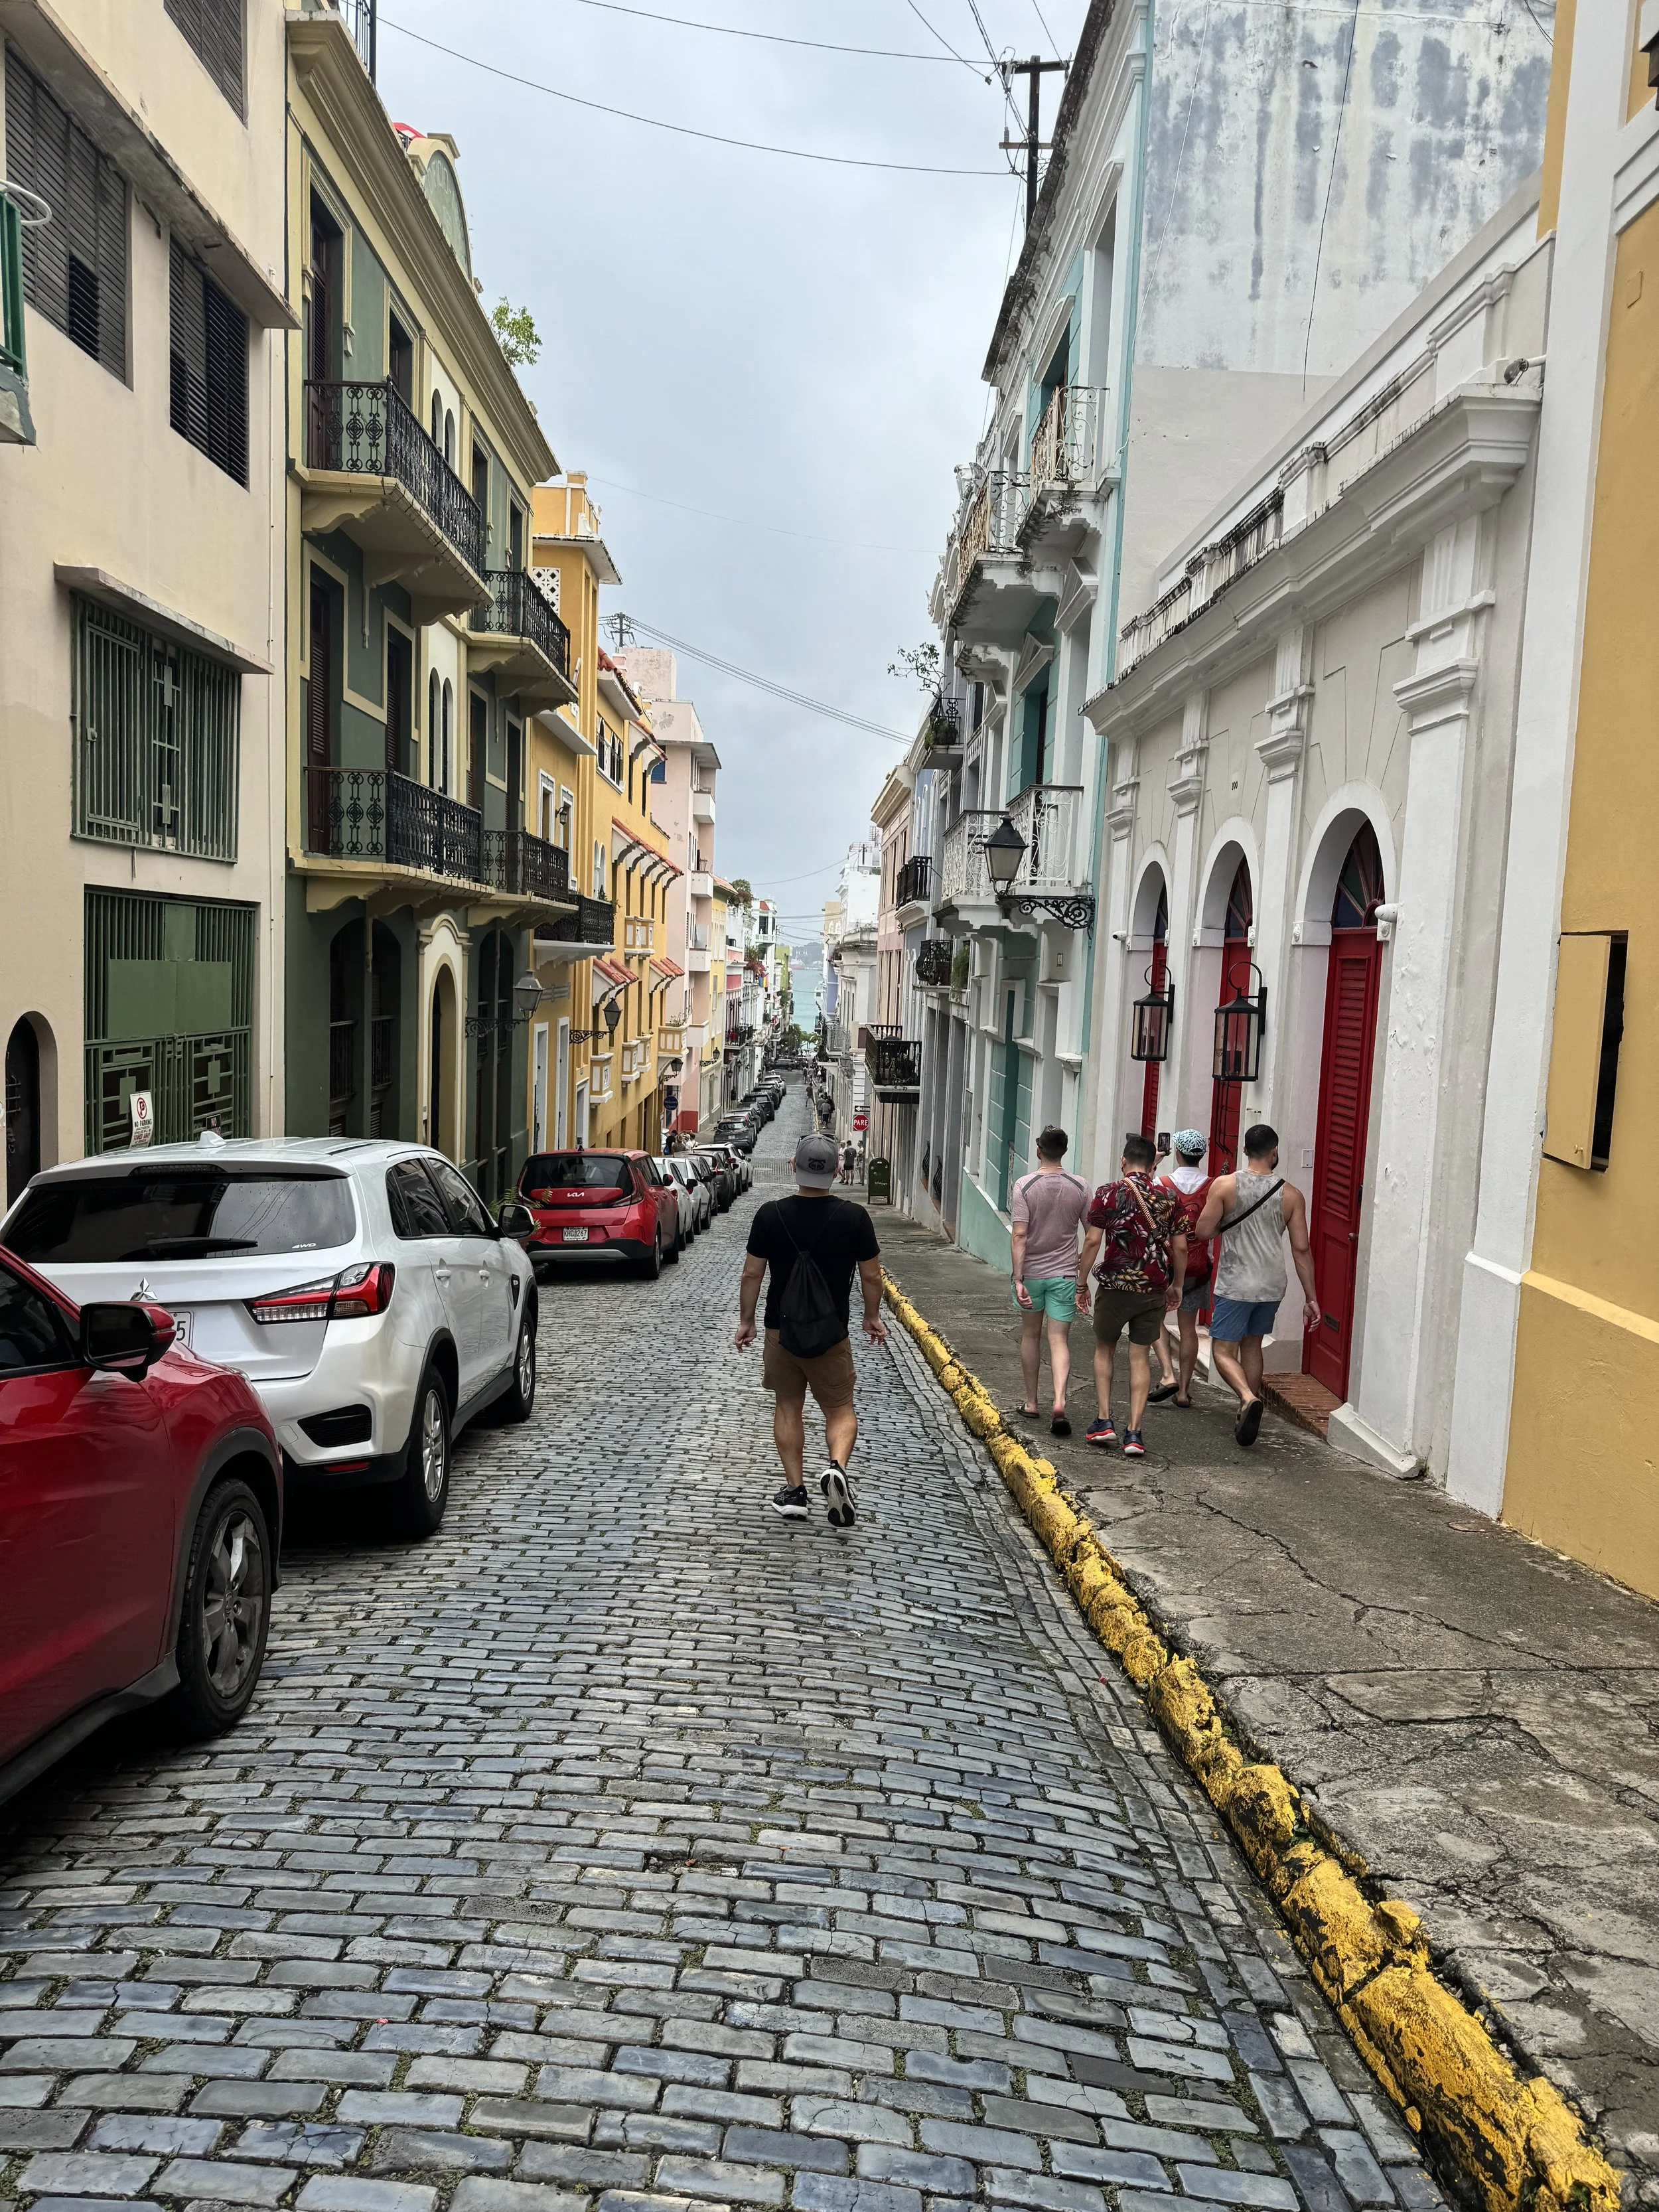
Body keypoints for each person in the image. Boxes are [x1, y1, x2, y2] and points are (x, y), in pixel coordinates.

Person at [735, 1130, 886, 1524]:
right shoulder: (855, 1218)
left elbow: (753, 1273)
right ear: (838, 1170)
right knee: (839, 1408)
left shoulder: (770, 1214)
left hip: (780, 1332)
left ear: (794, 1168)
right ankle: (836, 1467)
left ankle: (795, 1491)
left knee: (788, 1405)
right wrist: (872, 1317)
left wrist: (746, 1320)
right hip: (831, 1332)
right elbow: (872, 1278)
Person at [1193, 1122, 1320, 1446]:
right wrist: (1312, 1297)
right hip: (1272, 1284)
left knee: (1222, 1350)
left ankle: (1248, 1399)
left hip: (1237, 1282)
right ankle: (1246, 1409)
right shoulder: (1292, 1195)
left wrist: (1226, 1223)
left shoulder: (1224, 1186)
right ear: (1275, 1151)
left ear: (1245, 1150)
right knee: (1253, 1344)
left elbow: (1203, 1232)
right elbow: (1301, 1249)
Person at [1074, 1134, 1187, 1459]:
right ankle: (1135, 1433)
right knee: (1140, 1356)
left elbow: (1093, 1242)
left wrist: (1082, 1284)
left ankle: (1104, 1420)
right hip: (1153, 1288)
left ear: (1123, 1161)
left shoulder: (1107, 1194)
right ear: (1154, 1164)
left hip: (1115, 1287)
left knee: (1105, 1349)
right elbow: (1180, 1247)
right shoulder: (1169, 1196)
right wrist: (1176, 1285)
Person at [1009, 1125, 1090, 1436]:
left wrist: (1018, 1278)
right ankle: (1059, 1402)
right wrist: (1082, 1259)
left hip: (1031, 1274)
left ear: (1039, 1150)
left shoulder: (1024, 1186)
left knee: (1031, 1336)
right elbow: (1092, 1231)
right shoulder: (1081, 1186)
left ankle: (1031, 1402)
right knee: (1059, 1340)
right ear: (1064, 1152)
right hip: (1065, 1274)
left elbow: (1019, 1234)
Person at [1151, 1130, 1214, 1410]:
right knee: (1189, 1328)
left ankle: (1168, 1374)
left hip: (1165, 1265)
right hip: (1198, 1267)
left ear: (1176, 1153)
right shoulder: (1214, 1186)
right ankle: (1185, 1391)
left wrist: (1154, 1162)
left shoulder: (1162, 1183)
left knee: (1156, 1320)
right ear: (1202, 1155)